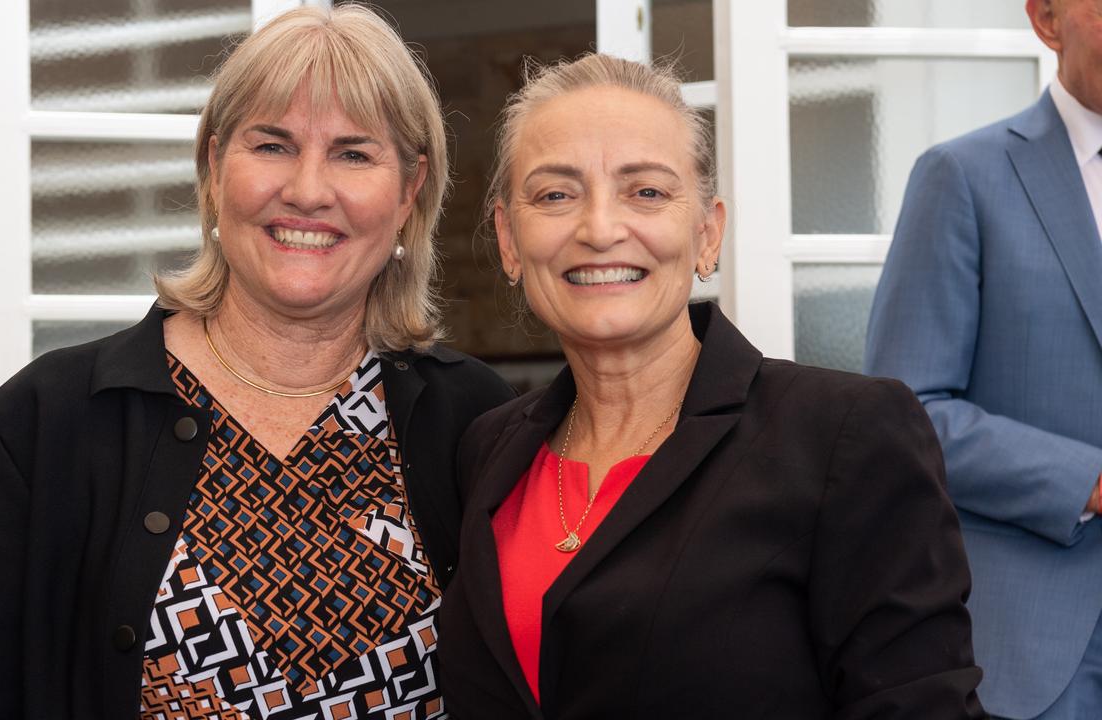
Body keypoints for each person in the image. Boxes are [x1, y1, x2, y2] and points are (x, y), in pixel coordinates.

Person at [0, 6, 513, 718]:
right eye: (272, 145)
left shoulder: (476, 421)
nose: (308, 190)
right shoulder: (45, 422)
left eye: (354, 153)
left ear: (410, 190)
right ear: (212, 163)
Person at [436, 53, 984, 719]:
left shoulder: (845, 435)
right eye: (556, 194)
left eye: (647, 192)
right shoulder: (487, 448)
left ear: (707, 232)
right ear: (509, 241)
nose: (600, 228)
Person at [864, 1, 1102, 717]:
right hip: (1039, 651)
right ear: (1047, 19)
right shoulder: (961, 176)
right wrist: (1090, 480)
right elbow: (906, 415)